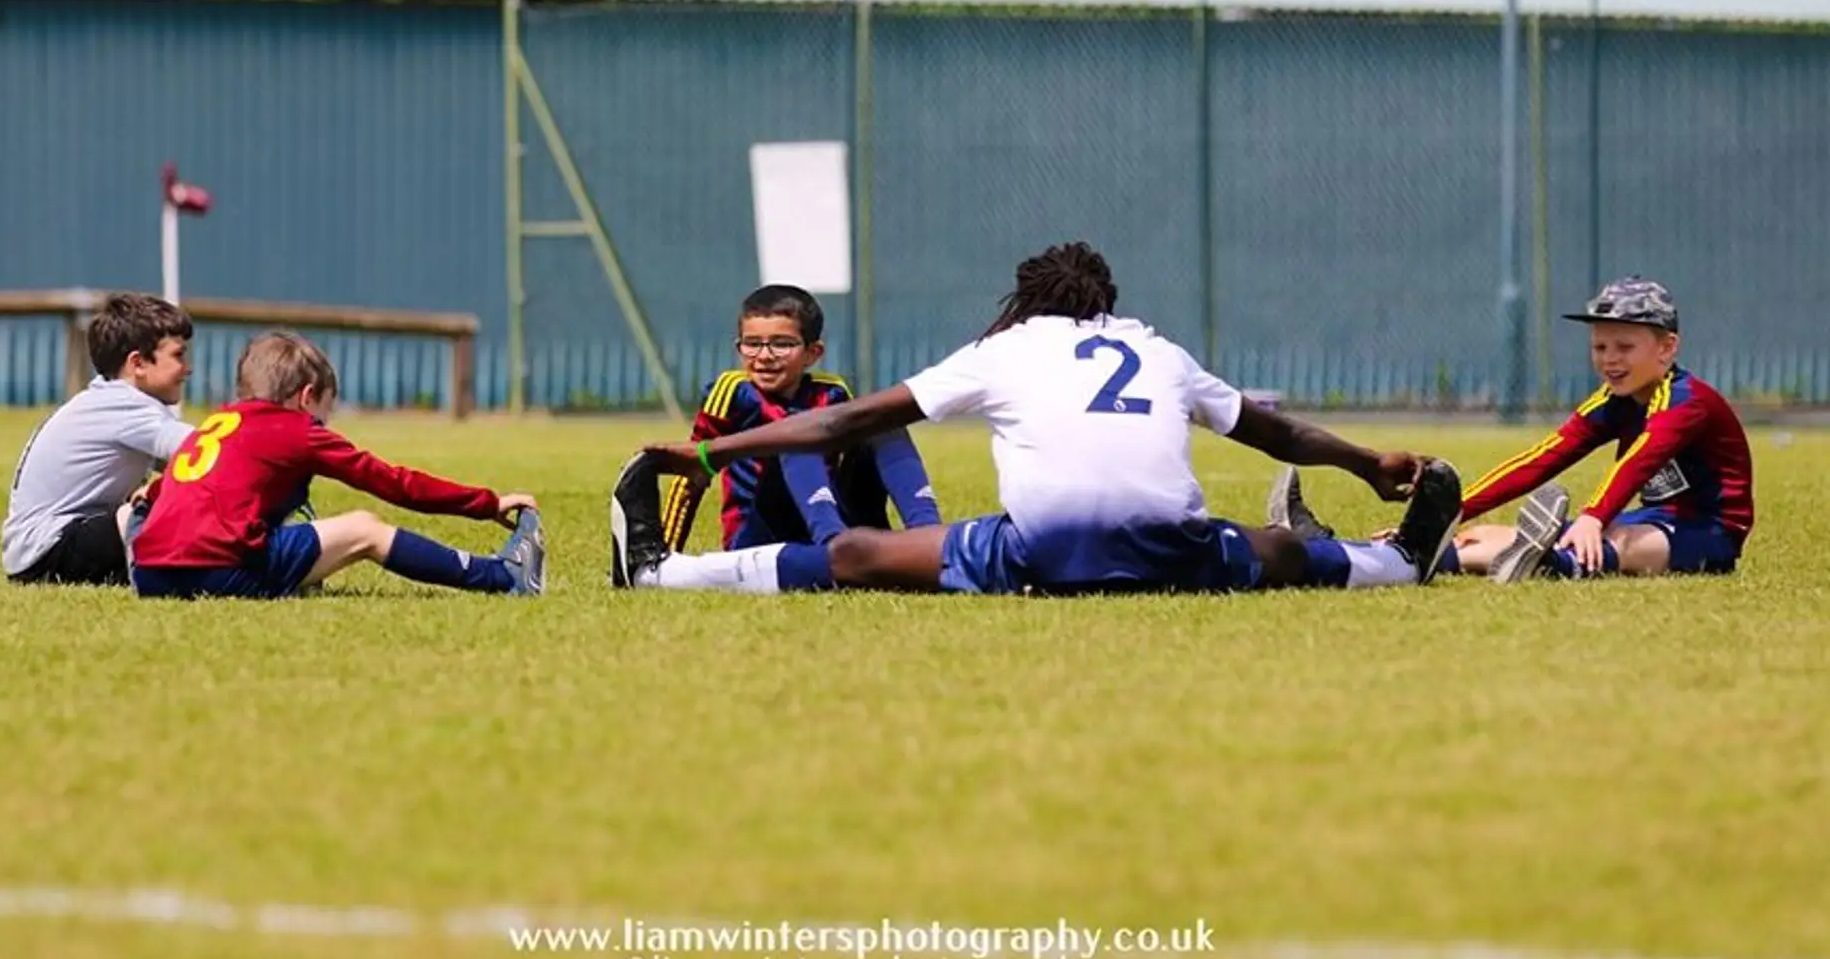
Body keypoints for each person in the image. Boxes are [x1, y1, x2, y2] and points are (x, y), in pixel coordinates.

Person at [611, 242, 1459, 597]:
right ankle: (1397, 559)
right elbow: (1276, 434)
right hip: (1172, 547)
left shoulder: (1005, 349)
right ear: (1105, 303)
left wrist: (715, 451)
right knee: (1268, 546)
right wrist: (1367, 461)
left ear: (1026, 300)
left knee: (855, 554)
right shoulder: (1153, 347)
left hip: (1044, 552)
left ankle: (658, 572)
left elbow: (841, 424)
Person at [129, 331, 543, 599]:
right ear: (307, 397)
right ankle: (503, 576)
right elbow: (394, 482)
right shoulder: (297, 429)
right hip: (219, 571)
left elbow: (175, 487)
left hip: (149, 574)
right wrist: (487, 503)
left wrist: (150, 495)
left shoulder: (216, 423)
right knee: (364, 528)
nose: (324, 424)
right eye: (325, 412)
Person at [1444, 277, 1753, 582]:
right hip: (1651, 518)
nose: (1609, 359)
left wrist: (1594, 516)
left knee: (1619, 542)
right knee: (1482, 535)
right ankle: (1431, 555)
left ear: (1667, 348)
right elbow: (1545, 457)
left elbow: (1639, 461)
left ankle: (1554, 563)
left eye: (1624, 347)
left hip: (1711, 530)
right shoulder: (1614, 399)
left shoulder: (1688, 401)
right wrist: (1450, 514)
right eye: (1600, 346)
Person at [661, 283, 940, 553]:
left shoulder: (832, 392)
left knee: (884, 426)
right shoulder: (731, 392)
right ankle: (836, 548)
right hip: (760, 538)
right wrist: (664, 555)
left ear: (812, 353)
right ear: (739, 347)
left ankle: (931, 540)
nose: (765, 356)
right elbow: (691, 472)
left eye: (782, 344)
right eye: (753, 344)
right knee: (793, 436)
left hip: (829, 520)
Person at [0, 292, 196, 586]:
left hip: (35, 551)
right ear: (138, 363)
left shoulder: (107, 399)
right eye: (179, 355)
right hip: (49, 550)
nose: (188, 368)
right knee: (163, 510)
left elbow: (184, 465)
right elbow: (203, 448)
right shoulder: (126, 405)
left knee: (174, 496)